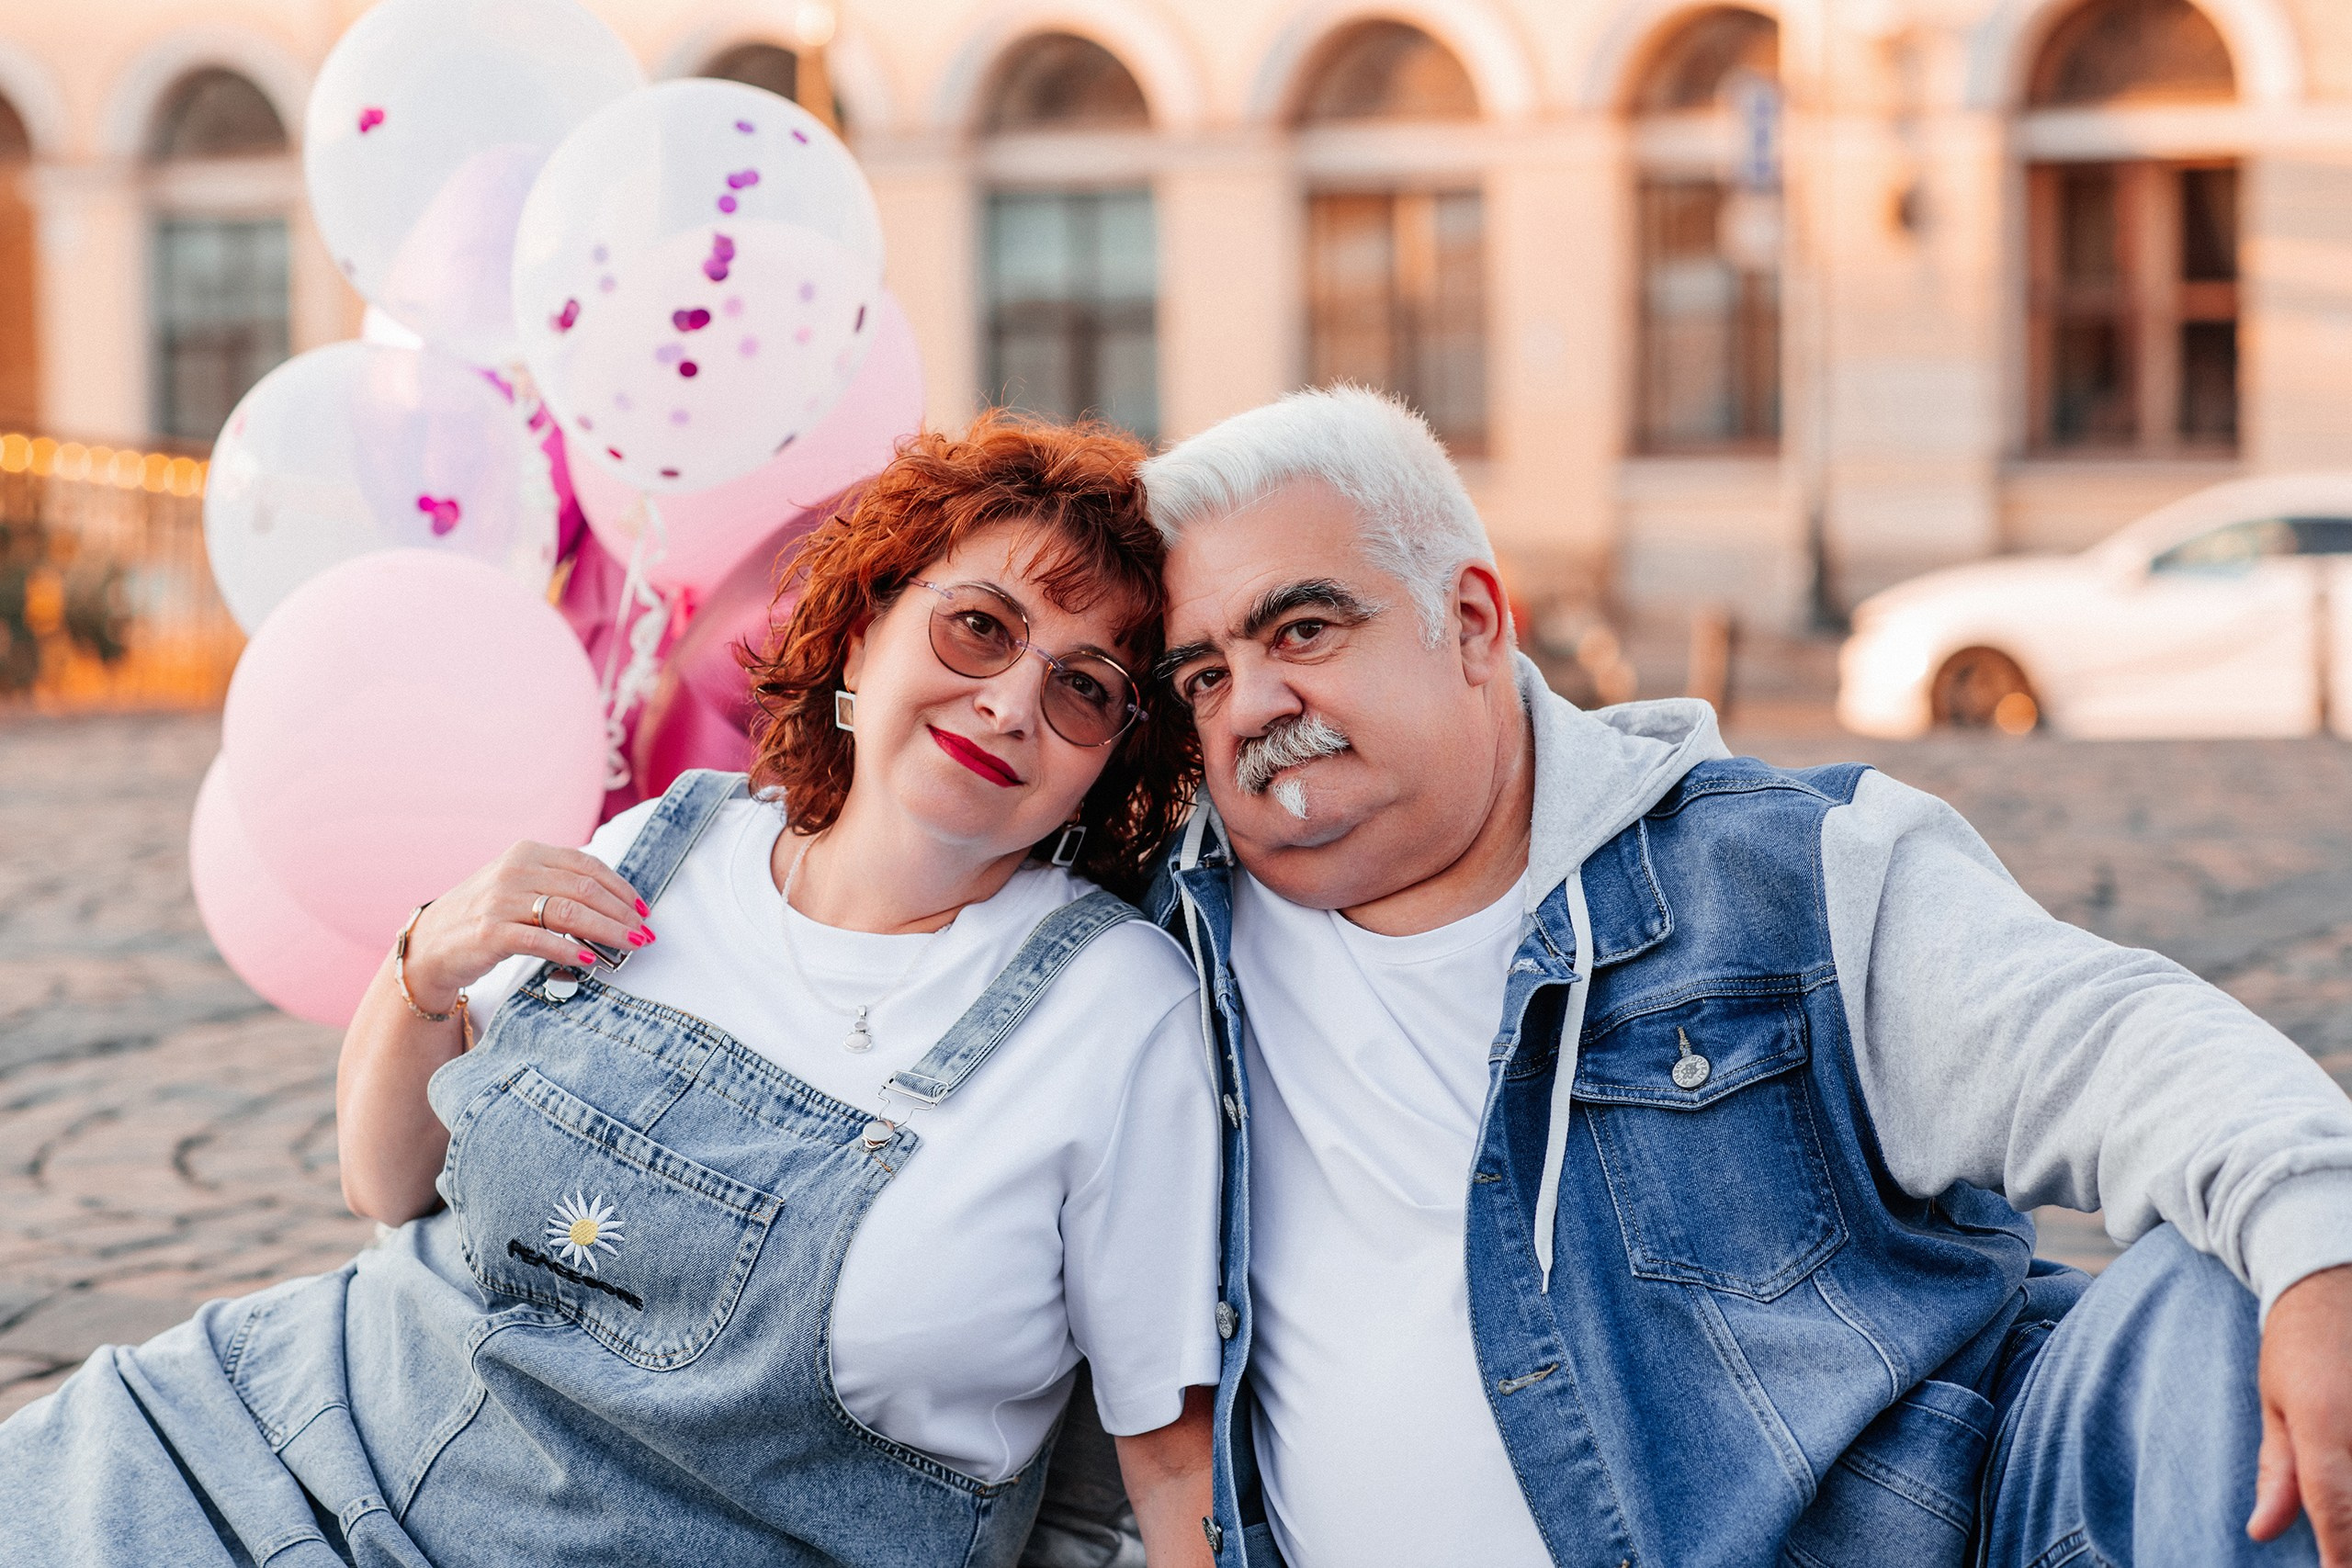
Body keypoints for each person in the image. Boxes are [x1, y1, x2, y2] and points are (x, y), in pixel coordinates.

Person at [1138, 386, 2352, 1568]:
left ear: (1470, 620)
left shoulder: (1780, 871)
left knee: (2243, 1285)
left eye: (1302, 631)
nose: (1253, 705)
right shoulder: (1164, 964)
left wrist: (2320, 1259)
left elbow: (2118, 1047)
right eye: (1203, 675)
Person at [0, 414, 1221, 1568]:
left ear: (1108, 759)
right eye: (979, 629)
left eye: (1085, 687)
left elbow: (1167, 1463)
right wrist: (423, 963)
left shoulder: (1113, 1016)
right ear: (863, 632)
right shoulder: (661, 848)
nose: (1012, 702)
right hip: (262, 1439)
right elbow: (388, 1186)